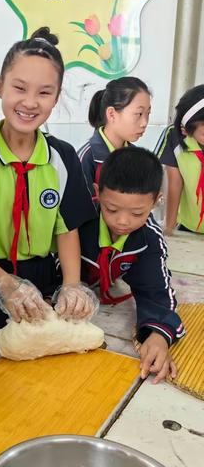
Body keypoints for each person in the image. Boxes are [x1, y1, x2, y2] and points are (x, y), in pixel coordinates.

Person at [0, 27, 98, 348]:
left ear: (56, 97)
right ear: (1, 86)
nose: (30, 103)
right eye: (20, 88)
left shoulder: (63, 156)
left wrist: (72, 286)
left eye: (45, 93)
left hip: (45, 279)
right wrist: (4, 284)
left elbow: (67, 228)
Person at [79, 147, 185, 384]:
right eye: (111, 209)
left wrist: (158, 334)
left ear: (156, 200)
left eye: (137, 213)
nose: (122, 221)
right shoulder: (78, 223)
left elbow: (155, 291)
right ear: (97, 193)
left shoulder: (149, 238)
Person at [78, 77, 151, 198]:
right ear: (111, 114)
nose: (144, 123)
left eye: (148, 114)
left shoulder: (138, 157)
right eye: (139, 114)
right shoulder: (86, 159)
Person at [159, 85, 204, 235]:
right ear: (187, 129)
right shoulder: (175, 136)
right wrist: (169, 228)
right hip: (189, 227)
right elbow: (175, 183)